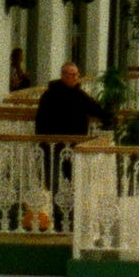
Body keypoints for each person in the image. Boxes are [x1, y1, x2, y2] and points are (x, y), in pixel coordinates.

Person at [34, 62, 109, 226]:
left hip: (74, 147)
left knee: (74, 181)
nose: (75, 78)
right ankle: (57, 216)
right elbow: (41, 120)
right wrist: (44, 141)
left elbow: (97, 110)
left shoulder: (80, 95)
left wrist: (110, 118)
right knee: (54, 183)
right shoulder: (50, 95)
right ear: (63, 75)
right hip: (53, 146)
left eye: (76, 74)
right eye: (72, 74)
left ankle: (72, 216)